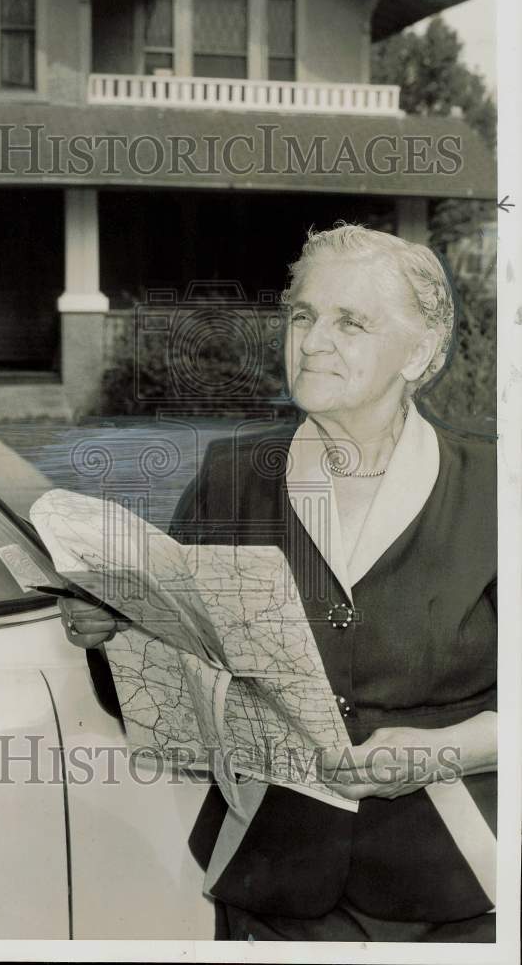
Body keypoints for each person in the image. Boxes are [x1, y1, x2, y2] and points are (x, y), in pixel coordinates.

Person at [58, 224, 497, 942]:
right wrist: (112, 634)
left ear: (421, 352)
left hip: (455, 892)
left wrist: (439, 750)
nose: (313, 341)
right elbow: (163, 694)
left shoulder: (492, 491)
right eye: (302, 315)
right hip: (273, 889)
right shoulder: (232, 478)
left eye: (350, 322)